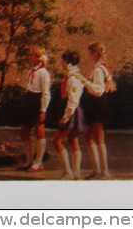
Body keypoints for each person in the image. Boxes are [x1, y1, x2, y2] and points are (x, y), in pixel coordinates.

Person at [76, 42, 115, 179]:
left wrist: (83, 81)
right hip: (100, 104)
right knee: (94, 137)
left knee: (96, 137)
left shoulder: (98, 70)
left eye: (90, 53)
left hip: (98, 104)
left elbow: (98, 91)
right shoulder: (103, 68)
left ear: (94, 54)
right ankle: (98, 169)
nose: (88, 55)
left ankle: (103, 171)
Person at [19, 46, 51, 173]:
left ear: (39, 58)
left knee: (39, 131)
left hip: (37, 101)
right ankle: (29, 161)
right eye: (31, 55)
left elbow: (46, 93)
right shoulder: (32, 71)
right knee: (24, 130)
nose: (30, 57)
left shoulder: (44, 73)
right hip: (29, 99)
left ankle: (39, 163)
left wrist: (43, 110)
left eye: (33, 55)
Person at [53, 51, 84, 180]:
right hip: (73, 109)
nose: (61, 63)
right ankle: (76, 173)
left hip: (71, 110)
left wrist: (65, 118)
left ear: (67, 62)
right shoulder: (74, 76)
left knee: (57, 141)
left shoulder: (73, 78)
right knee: (73, 140)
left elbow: (73, 101)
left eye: (63, 61)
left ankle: (68, 172)